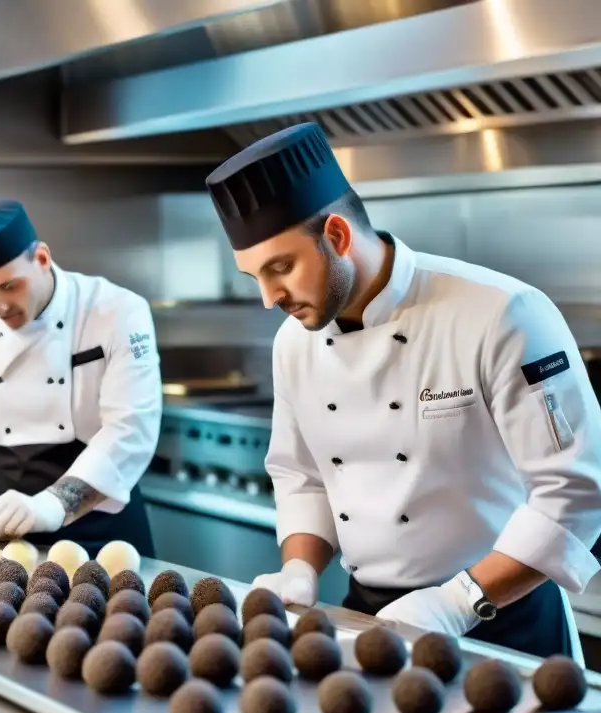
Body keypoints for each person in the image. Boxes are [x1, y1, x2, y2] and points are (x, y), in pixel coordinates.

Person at [206, 122, 601, 659]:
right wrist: (298, 568)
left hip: (502, 624)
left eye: (281, 268)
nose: (269, 297)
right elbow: (302, 476)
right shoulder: (293, 345)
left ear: (338, 237)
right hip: (368, 620)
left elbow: (575, 490)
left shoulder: (502, 313)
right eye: (255, 276)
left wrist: (459, 602)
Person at [0, 200, 161, 557]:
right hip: (7, 531)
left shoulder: (118, 311)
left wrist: (53, 505)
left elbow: (131, 430)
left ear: (41, 259)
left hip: (104, 527)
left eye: (9, 286)